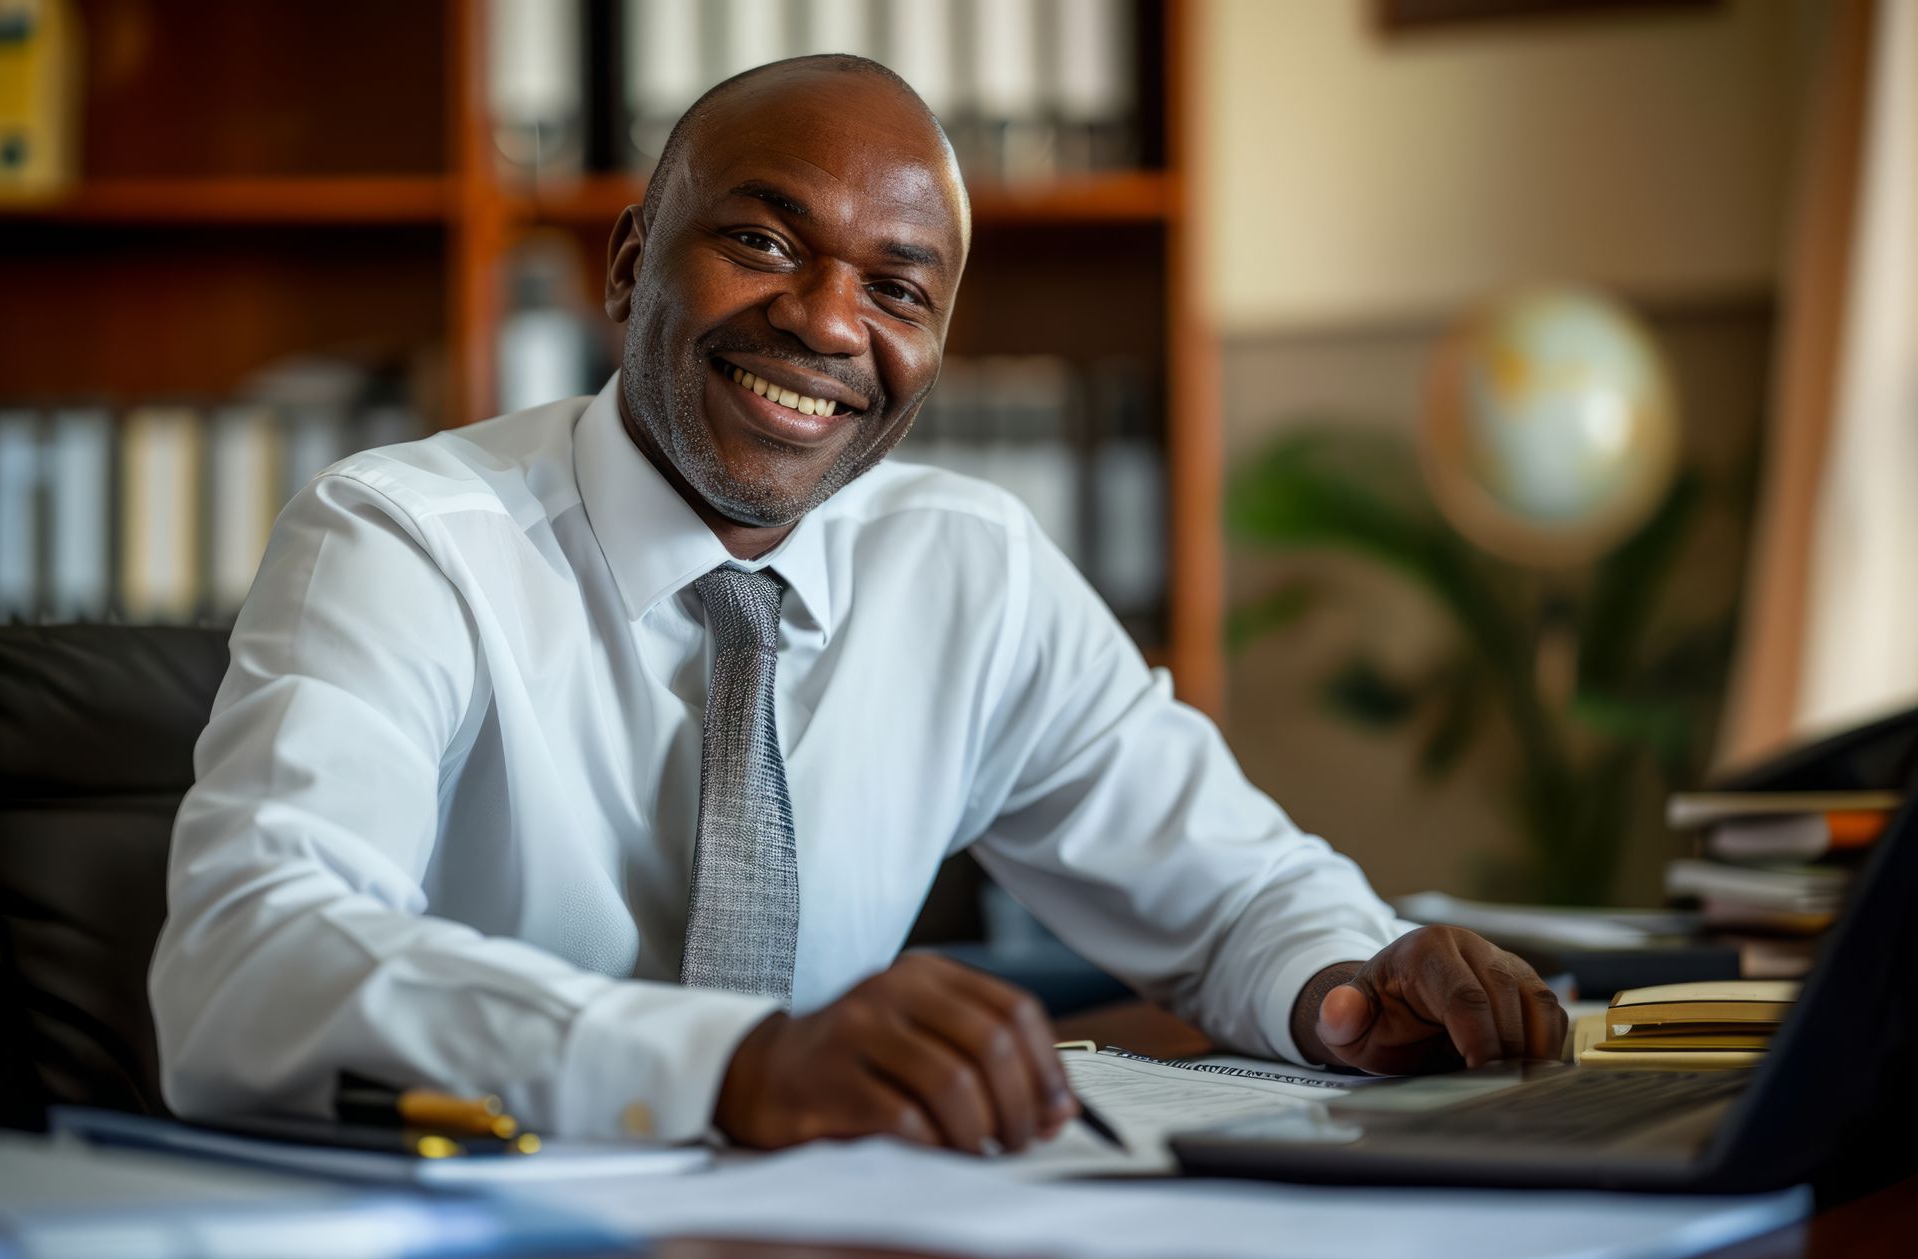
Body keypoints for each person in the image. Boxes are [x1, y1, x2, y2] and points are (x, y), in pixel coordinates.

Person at [149, 56, 1566, 1155]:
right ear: (632, 262)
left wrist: (1349, 990)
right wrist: (733, 1067)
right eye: (764, 244)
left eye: (897, 288)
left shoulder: (970, 569)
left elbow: (1234, 891)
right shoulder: (404, 537)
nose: (830, 324)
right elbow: (248, 956)